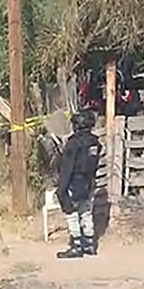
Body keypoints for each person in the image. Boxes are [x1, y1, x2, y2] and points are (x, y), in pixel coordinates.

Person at [56, 109, 102, 259]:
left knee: (72, 214)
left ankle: (76, 246)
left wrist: (61, 189)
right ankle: (89, 245)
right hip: (89, 182)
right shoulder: (95, 143)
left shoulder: (73, 144)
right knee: (86, 212)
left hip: (74, 182)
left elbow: (67, 167)